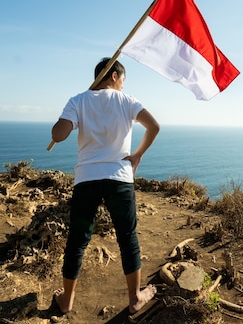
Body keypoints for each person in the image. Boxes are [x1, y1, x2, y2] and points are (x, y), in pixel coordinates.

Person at [50, 57, 160, 315]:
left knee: (77, 240)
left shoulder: (78, 100)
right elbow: (154, 126)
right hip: (119, 178)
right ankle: (135, 299)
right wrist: (138, 154)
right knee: (127, 238)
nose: (123, 85)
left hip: (86, 179)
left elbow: (58, 135)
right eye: (122, 79)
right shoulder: (128, 101)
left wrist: (74, 112)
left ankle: (66, 300)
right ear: (113, 76)